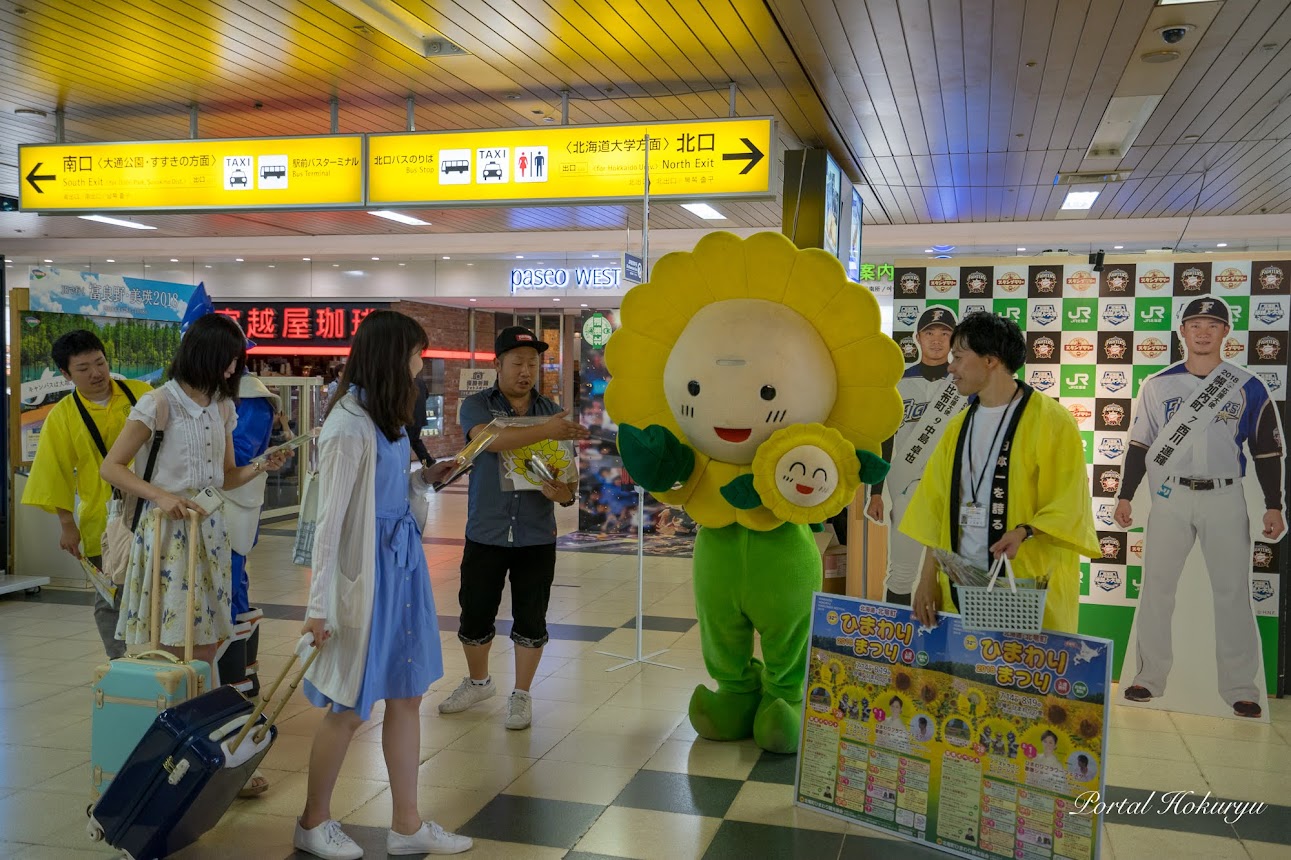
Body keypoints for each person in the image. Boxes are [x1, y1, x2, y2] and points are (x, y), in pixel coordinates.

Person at [296, 311, 470, 859]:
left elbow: (391, 492)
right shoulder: (348, 424)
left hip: (401, 568)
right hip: (363, 574)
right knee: (349, 704)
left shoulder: (386, 418)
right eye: (416, 353)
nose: (422, 363)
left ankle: (408, 825)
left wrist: (425, 476)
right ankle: (312, 821)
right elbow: (330, 523)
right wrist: (319, 606)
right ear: (392, 356)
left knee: (407, 695)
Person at [1114, 297, 1285, 719]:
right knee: (1157, 588)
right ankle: (1147, 678)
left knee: (1231, 593)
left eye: (1213, 324)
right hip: (1171, 496)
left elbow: (1267, 451)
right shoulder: (1158, 385)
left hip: (1225, 496)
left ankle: (1241, 688)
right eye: (1195, 324)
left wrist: (1274, 504)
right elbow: (1140, 445)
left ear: (1226, 332)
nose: (1203, 331)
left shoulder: (1247, 385)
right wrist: (1125, 494)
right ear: (1182, 332)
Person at [101, 314, 284, 666]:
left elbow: (226, 476)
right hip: (167, 531)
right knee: (171, 637)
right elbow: (111, 467)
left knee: (210, 635)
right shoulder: (158, 403)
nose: (234, 368)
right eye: (230, 358)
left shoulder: (222, 406)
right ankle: (176, 706)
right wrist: (160, 495)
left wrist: (263, 464)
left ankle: (198, 704)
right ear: (207, 354)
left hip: (210, 530)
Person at [901, 312, 1099, 632]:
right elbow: (935, 511)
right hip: (959, 590)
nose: (950, 367)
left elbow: (1069, 504)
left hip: (1027, 590)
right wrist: (926, 579)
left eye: (959, 357)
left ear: (990, 361)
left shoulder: (1052, 421)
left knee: (1023, 678)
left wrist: (1025, 531)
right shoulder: (957, 427)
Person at [437, 326, 589, 731]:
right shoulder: (476, 406)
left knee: (531, 616)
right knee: (475, 613)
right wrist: (546, 430)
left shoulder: (551, 411)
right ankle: (478, 682)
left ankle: (521, 694)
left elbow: (568, 479)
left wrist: (564, 495)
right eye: (518, 363)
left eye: (533, 364)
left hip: (536, 534)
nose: (526, 371)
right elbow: (488, 440)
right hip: (486, 530)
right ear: (498, 364)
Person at [22, 330, 151, 659]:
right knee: (110, 598)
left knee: (160, 589)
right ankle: (119, 663)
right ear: (65, 374)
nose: (96, 373)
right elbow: (54, 471)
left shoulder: (142, 395)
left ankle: (163, 659)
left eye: (100, 362)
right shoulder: (62, 416)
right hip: (102, 520)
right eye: (83, 368)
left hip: (155, 510)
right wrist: (67, 524)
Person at [866, 307, 963, 605]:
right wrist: (877, 493)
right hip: (907, 487)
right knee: (902, 570)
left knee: (955, 572)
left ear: (954, 339)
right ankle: (899, 643)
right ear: (917, 337)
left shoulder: (964, 385)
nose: (937, 340)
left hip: (953, 488)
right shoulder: (899, 383)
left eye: (945, 333)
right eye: (930, 333)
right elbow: (885, 439)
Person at [406, 374, 436, 469]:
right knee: (415, 441)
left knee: (407, 443)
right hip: (420, 417)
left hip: (408, 418)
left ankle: (405, 465)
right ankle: (428, 461)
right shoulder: (420, 382)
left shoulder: (403, 382)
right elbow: (426, 395)